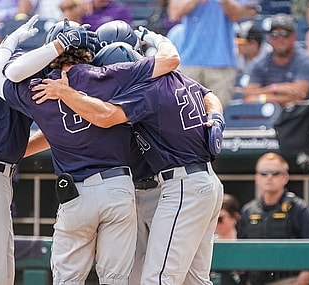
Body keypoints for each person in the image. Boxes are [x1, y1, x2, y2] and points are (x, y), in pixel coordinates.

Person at [0, 17, 179, 284]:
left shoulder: (36, 88)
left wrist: (9, 44)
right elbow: (169, 62)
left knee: (67, 280)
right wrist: (155, 38)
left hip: (76, 195)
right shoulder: (110, 75)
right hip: (118, 189)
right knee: (115, 279)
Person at [28, 39, 224, 284]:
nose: (104, 81)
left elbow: (105, 115)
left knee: (158, 278)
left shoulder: (143, 90)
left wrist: (65, 92)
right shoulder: (176, 79)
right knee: (193, 279)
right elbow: (210, 95)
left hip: (175, 187)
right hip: (196, 184)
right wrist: (216, 116)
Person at [0, 15, 97, 285]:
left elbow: (55, 131)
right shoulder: (25, 66)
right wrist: (60, 44)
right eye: (70, 55)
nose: (74, 64)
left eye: (80, 57)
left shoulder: (47, 80)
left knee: (1, 273)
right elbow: (12, 72)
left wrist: (16, 153)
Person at [238, 152, 309, 285]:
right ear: (257, 177)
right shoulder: (248, 211)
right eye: (264, 173)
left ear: (285, 177)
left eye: (275, 173)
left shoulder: (299, 208)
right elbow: (239, 251)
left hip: (289, 280)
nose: (269, 177)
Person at [167, 0, 258, 107]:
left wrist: (225, 2)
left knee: (217, 116)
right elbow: (174, 13)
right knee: (184, 114)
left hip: (222, 62)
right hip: (189, 61)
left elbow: (244, 14)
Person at [243, 13, 309, 106]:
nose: (280, 39)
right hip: (268, 118)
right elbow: (248, 96)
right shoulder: (260, 63)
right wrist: (273, 89)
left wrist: (261, 95)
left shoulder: (305, 60)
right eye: (274, 34)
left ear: (294, 37)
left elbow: (300, 95)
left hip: (301, 116)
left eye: (285, 34)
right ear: (269, 38)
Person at [211, 194, 242, 285]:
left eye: (220, 219)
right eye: (212, 219)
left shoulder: (244, 239)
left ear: (235, 217)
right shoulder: (207, 242)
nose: (216, 223)